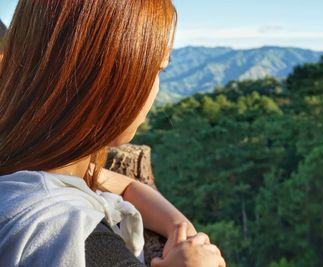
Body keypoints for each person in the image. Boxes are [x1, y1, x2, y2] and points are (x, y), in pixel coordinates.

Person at [0, 0, 226, 266]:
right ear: (107, 80)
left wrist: (178, 226)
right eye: (158, 68)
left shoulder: (29, 166)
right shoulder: (73, 238)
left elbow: (127, 185)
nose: (156, 87)